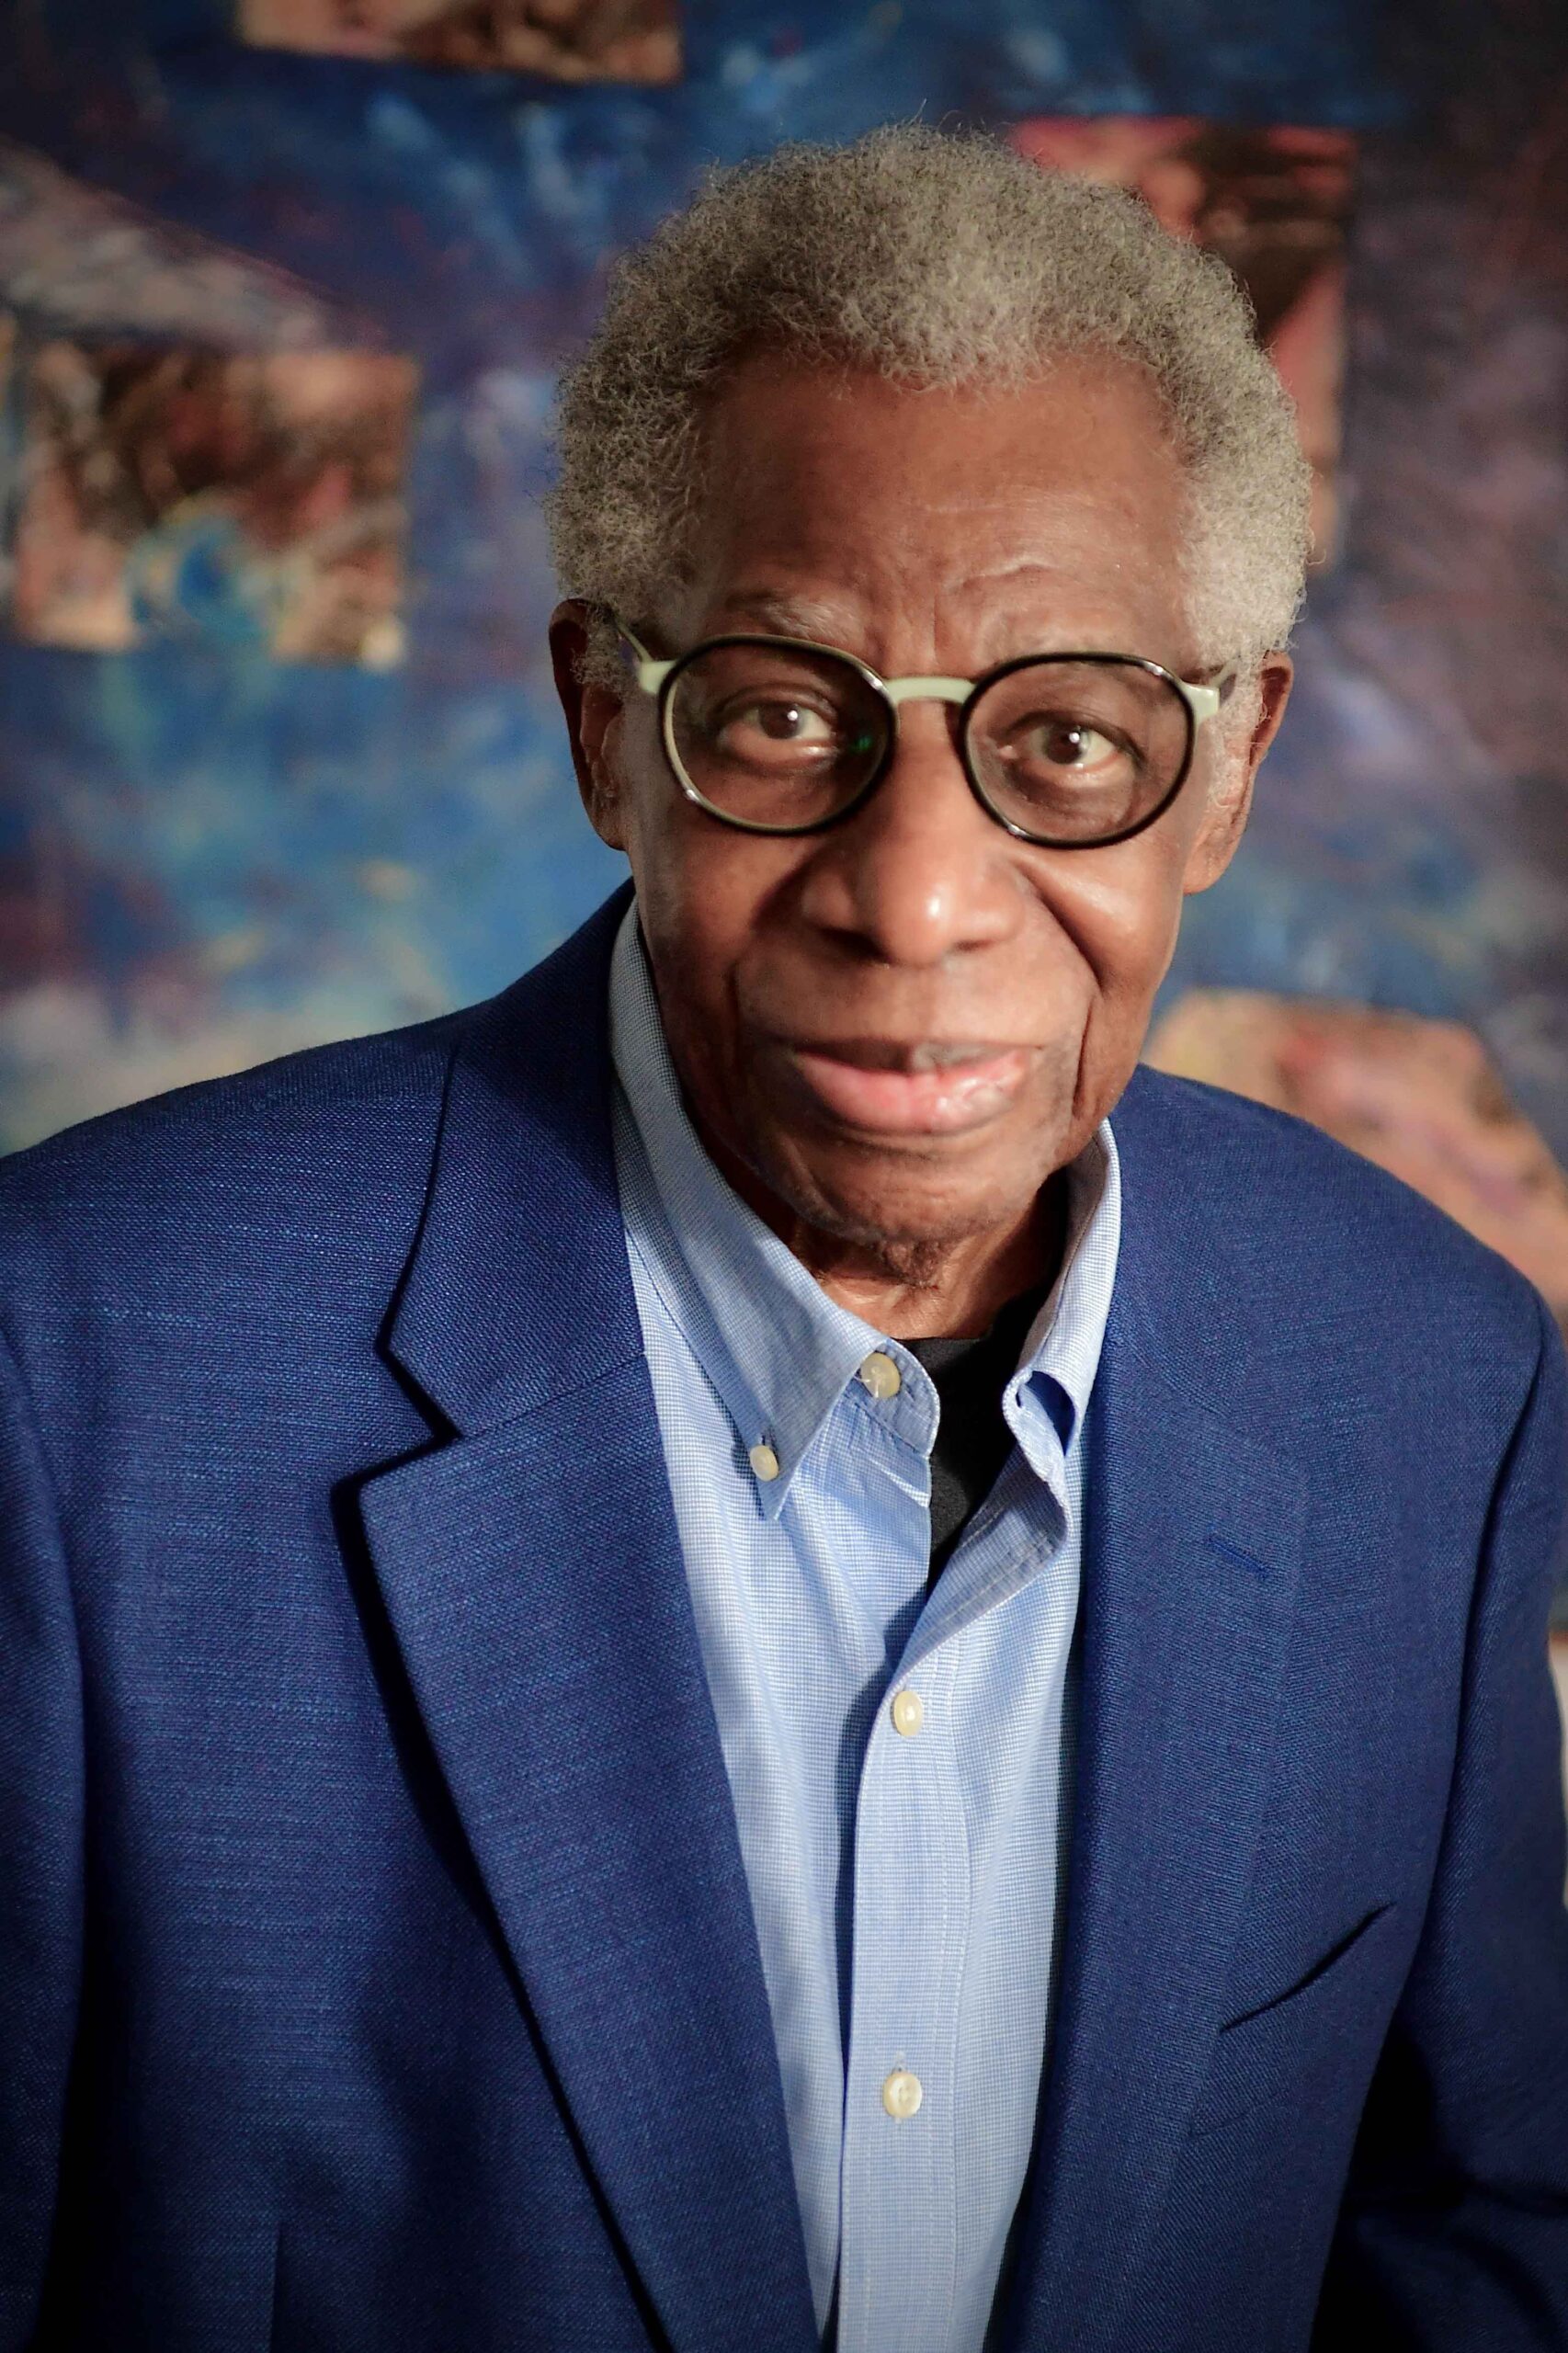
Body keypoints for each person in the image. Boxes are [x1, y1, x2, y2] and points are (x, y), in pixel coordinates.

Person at [2, 125, 1564, 2353]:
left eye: (1069, 741)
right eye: (776, 715)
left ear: (1227, 774)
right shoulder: (73, 1376)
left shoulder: (1434, 1377)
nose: (914, 893)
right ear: (598, 731)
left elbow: (1478, 2231)